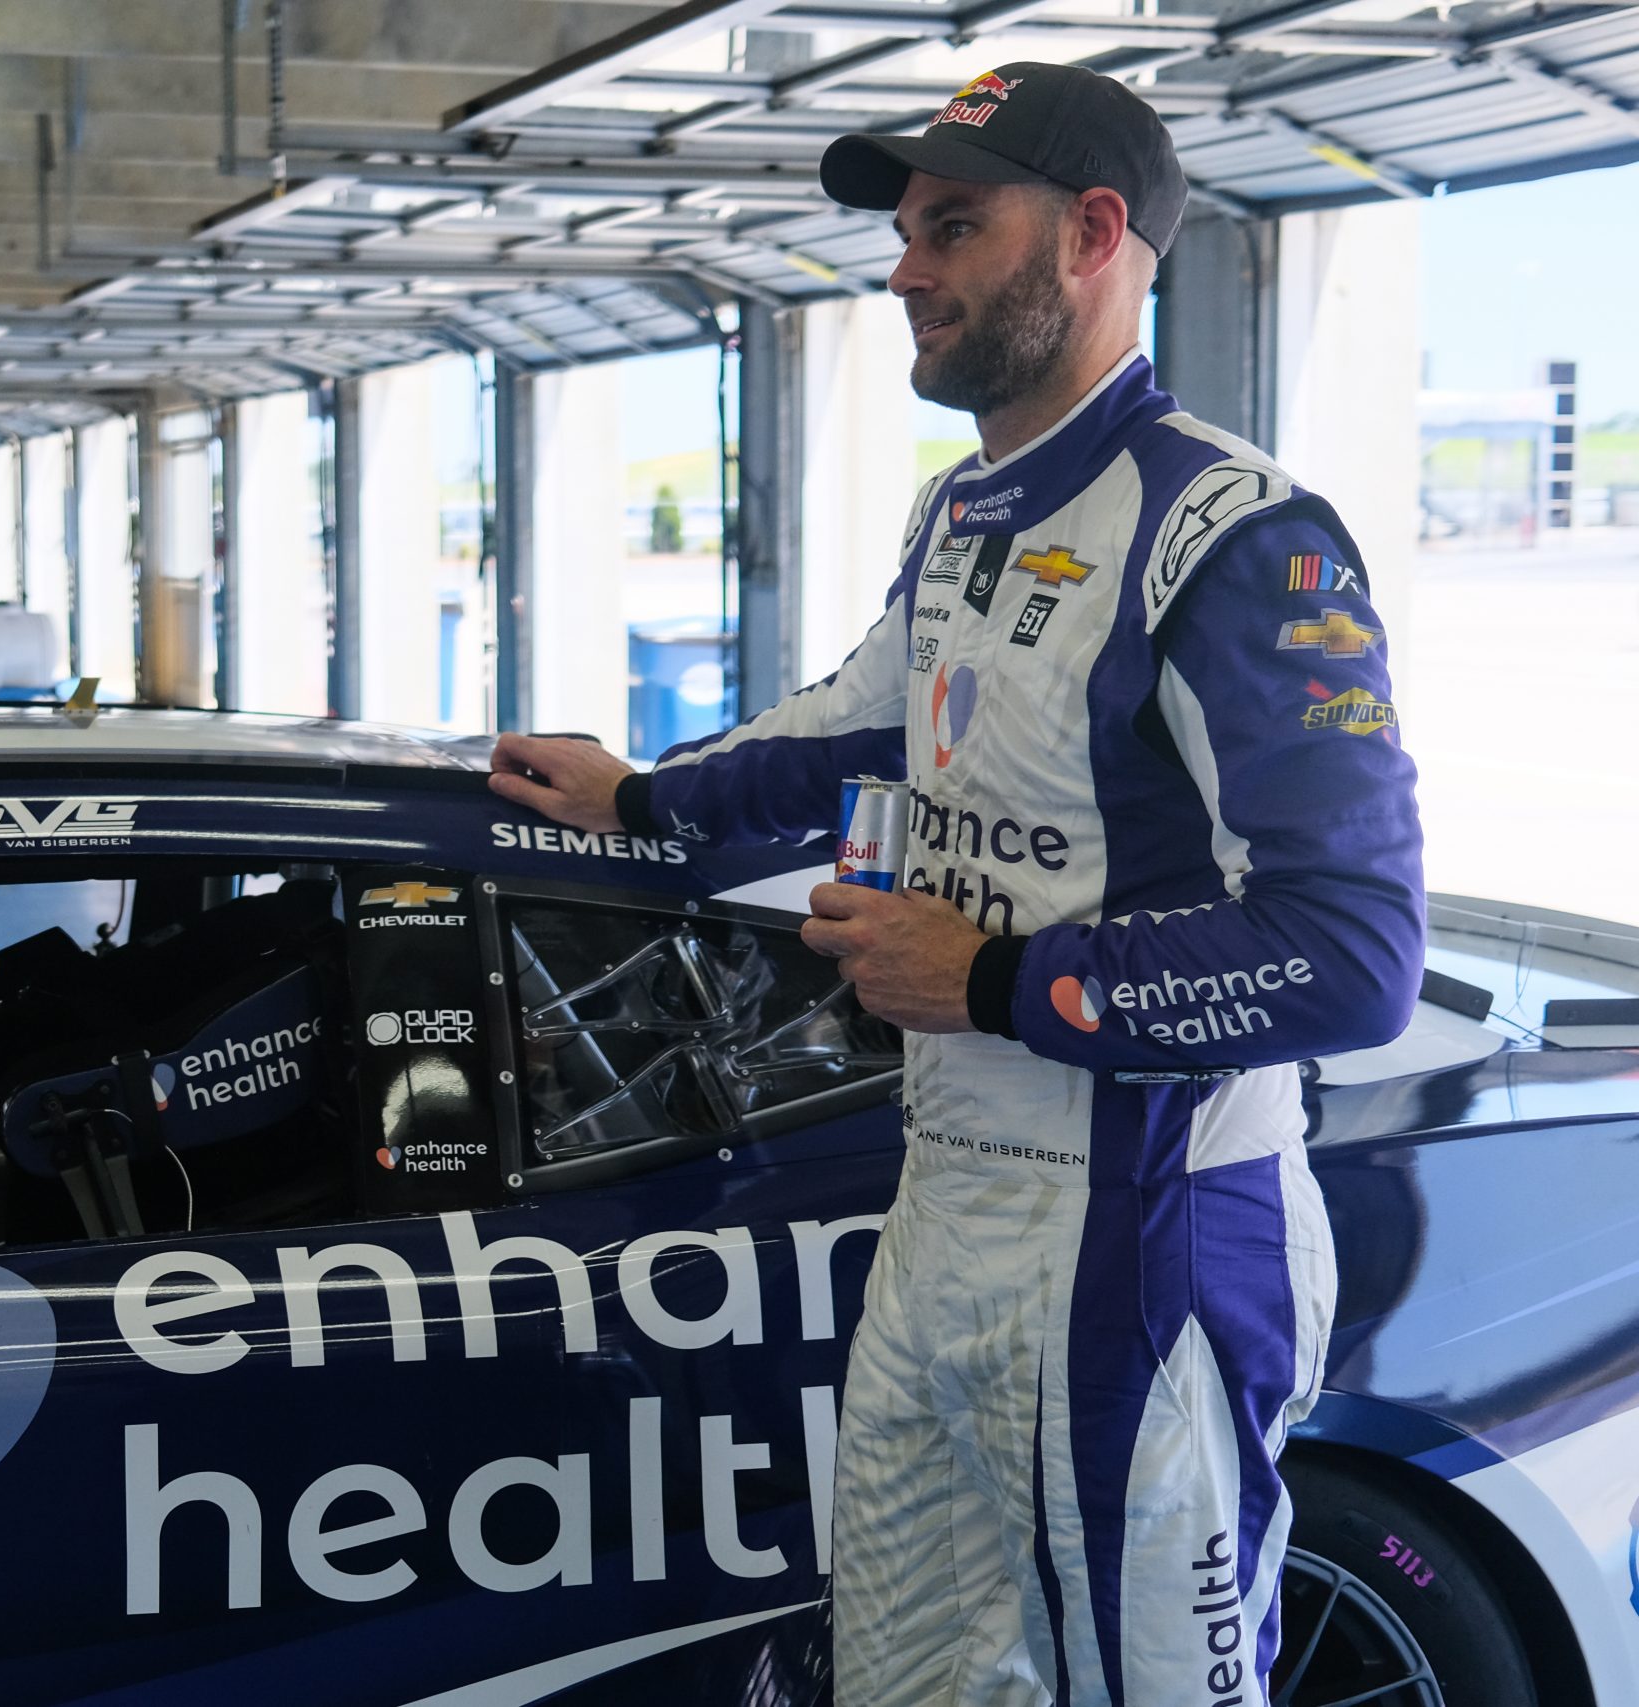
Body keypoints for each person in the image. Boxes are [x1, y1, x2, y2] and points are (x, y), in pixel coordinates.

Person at [488, 61, 1424, 1707]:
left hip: (1148, 1228)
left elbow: (1353, 956)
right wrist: (635, 797)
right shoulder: (965, 511)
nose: (906, 268)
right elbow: (852, 740)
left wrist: (993, 977)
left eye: (953, 226)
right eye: (908, 231)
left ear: (1096, 235)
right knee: (909, 1683)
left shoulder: (1238, 534)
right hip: (950, 1201)